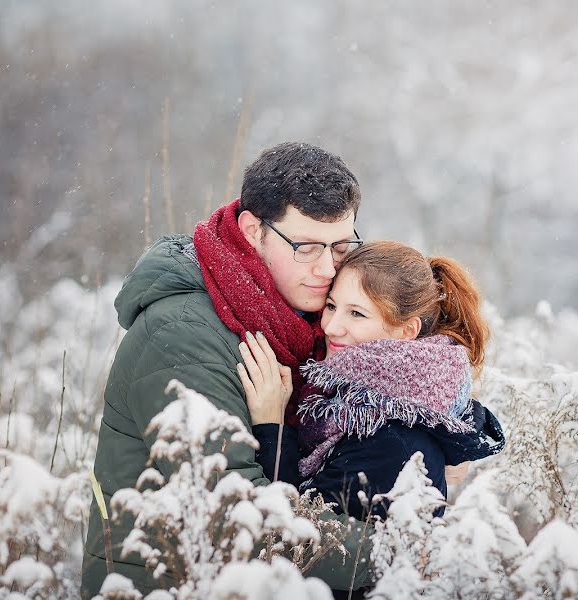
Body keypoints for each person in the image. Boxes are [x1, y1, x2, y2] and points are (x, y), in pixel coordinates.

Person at [81, 142, 373, 597]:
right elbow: (238, 519)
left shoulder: (307, 323)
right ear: (253, 231)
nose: (326, 267)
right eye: (307, 247)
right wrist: (398, 550)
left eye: (340, 246)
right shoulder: (181, 336)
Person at [238, 241, 505, 524]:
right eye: (331, 306)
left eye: (356, 313)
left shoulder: (391, 443)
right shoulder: (379, 404)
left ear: (406, 330)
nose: (330, 326)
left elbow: (296, 539)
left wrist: (271, 426)